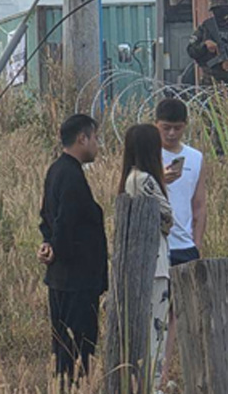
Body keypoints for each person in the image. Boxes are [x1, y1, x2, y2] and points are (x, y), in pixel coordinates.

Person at [38, 114, 107, 389]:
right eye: (95, 137)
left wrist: (48, 244)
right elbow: (65, 221)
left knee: (64, 349)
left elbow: (46, 215)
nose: (97, 144)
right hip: (75, 281)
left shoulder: (57, 170)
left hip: (62, 278)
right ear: (82, 138)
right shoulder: (70, 175)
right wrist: (57, 249)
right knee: (78, 347)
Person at [154, 98, 207, 384]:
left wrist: (197, 242)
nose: (171, 134)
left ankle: (164, 373)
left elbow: (199, 204)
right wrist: (161, 179)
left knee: (179, 313)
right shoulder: (147, 155)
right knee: (155, 311)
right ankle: (151, 371)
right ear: (156, 126)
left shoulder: (196, 158)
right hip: (157, 246)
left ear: (185, 127)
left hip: (185, 246)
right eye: (166, 128)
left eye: (177, 128)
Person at [118, 124, 173, 392]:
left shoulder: (130, 178)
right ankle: (151, 386)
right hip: (156, 266)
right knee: (156, 333)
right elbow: (167, 219)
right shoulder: (146, 180)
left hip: (137, 266)